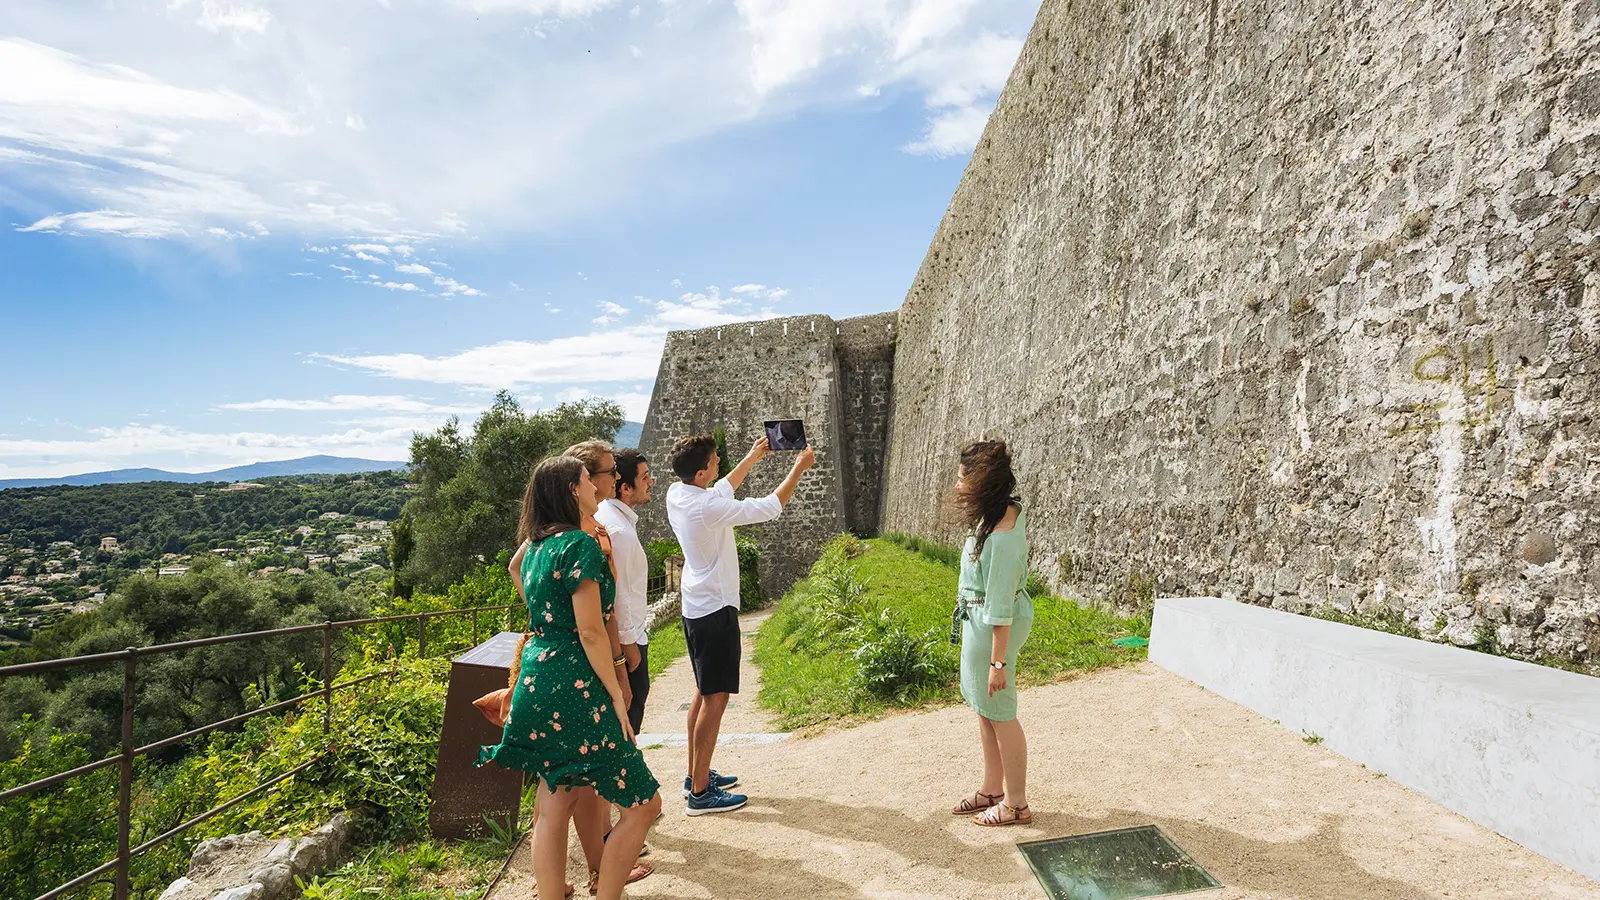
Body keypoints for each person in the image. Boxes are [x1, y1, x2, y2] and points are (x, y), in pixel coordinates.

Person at [478, 456, 662, 900]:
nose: (599, 487)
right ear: (571, 491)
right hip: (576, 681)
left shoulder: (538, 548)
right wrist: (618, 694)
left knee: (555, 799)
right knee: (643, 807)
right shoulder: (578, 546)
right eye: (588, 480)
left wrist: (550, 624)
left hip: (537, 677)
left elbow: (518, 574)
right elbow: (591, 630)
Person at [667, 434, 814, 815]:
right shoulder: (704, 510)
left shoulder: (678, 493)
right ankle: (700, 794)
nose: (719, 463)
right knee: (715, 698)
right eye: (715, 460)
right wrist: (798, 468)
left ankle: (693, 776)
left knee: (703, 690)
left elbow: (719, 490)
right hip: (715, 609)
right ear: (700, 472)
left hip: (697, 604)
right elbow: (770, 506)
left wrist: (750, 459)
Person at [947, 439, 1035, 827]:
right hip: (980, 622)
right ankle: (992, 789)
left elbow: (1001, 608)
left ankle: (1016, 803)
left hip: (991, 628)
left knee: (1000, 711)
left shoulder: (1001, 535)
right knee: (986, 711)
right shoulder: (998, 514)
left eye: (962, 477)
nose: (957, 484)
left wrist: (998, 663)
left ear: (980, 482)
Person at [594, 449, 653, 734]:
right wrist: (630, 652)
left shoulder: (612, 519)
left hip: (626, 640)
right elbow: (618, 596)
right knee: (627, 724)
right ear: (625, 488)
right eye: (645, 477)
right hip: (627, 643)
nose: (650, 482)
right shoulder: (618, 531)